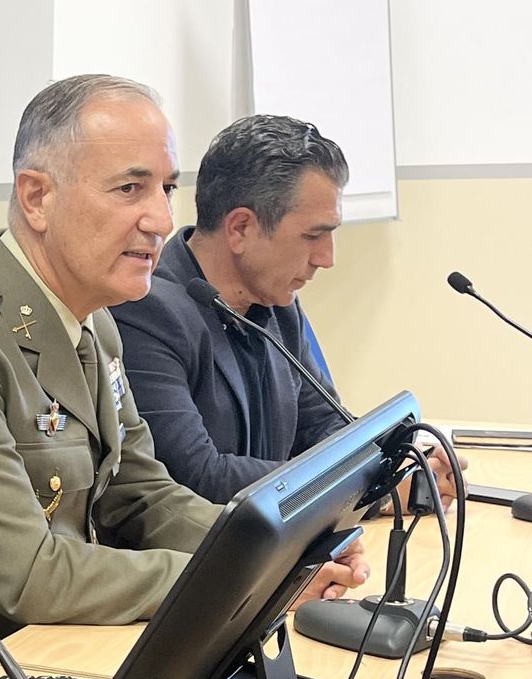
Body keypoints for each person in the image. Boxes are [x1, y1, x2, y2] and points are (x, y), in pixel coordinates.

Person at [0, 76, 368, 679]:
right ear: (38, 198)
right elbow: (32, 576)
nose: (159, 218)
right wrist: (246, 582)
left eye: (166, 188)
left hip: (40, 655)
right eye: (130, 188)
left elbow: (144, 495)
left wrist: (278, 554)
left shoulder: (93, 324)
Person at [111, 114, 462, 507]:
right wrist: (366, 485)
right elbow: (197, 476)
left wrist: (408, 468)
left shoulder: (278, 302)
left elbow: (325, 429)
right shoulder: (144, 309)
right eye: (313, 235)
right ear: (240, 228)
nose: (327, 259)